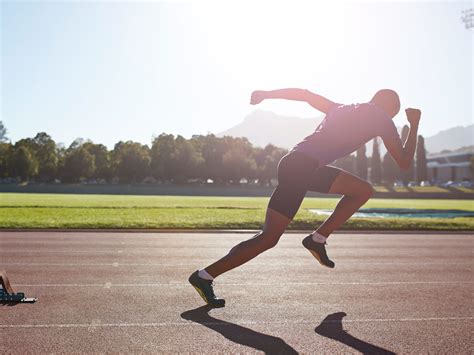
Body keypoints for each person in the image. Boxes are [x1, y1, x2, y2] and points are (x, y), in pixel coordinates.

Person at [189, 88, 421, 307]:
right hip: (303, 168)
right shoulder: (381, 117)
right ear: (389, 108)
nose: (390, 120)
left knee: (361, 190)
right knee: (269, 238)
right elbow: (403, 162)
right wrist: (413, 124)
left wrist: (267, 94)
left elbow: (304, 94)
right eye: (393, 115)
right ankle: (205, 276)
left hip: (297, 163)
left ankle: (316, 239)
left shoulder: (339, 107)